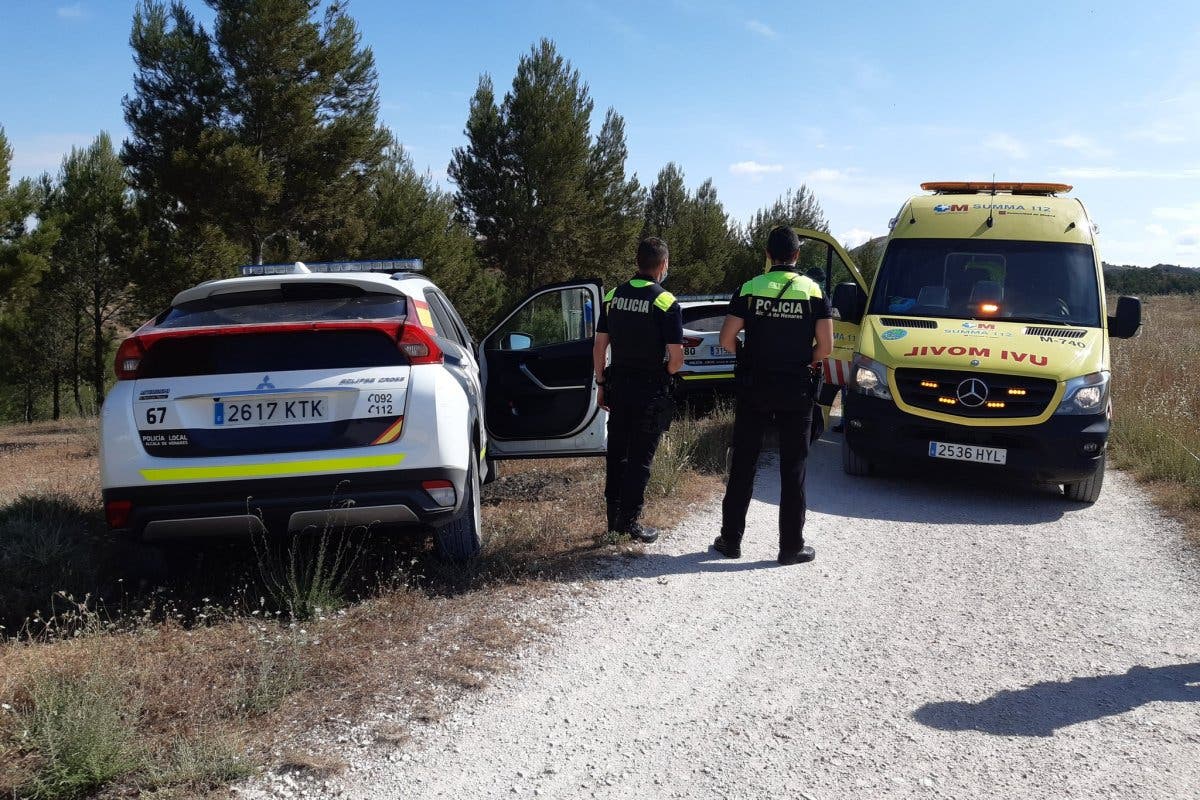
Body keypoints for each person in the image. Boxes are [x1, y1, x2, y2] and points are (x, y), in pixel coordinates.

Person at [712, 226, 833, 565]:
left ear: (768, 255)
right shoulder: (814, 291)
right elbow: (826, 347)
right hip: (797, 387)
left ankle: (731, 541)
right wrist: (803, 360)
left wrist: (746, 355)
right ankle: (790, 547)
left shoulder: (750, 288)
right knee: (793, 467)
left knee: (744, 464)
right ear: (797, 255)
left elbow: (725, 339)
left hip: (755, 386)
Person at [592, 237, 684, 544]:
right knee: (640, 458)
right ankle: (629, 523)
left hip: (617, 385)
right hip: (649, 389)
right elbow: (676, 358)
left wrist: (601, 383)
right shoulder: (665, 302)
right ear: (662, 266)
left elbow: (600, 346)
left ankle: (612, 520)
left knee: (617, 453)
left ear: (637, 262)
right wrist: (665, 373)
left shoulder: (613, 296)